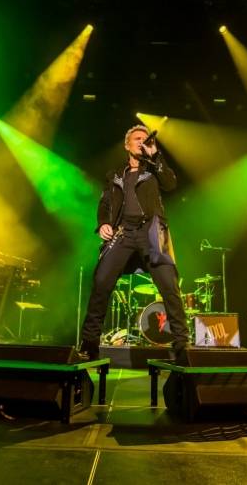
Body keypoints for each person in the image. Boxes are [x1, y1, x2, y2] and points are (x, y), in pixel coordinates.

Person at [79, 125, 189, 362]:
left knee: (169, 286)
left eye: (144, 139)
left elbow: (170, 183)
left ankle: (182, 345)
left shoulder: (153, 169)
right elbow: (105, 204)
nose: (141, 142)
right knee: (101, 283)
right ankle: (89, 345)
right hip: (123, 234)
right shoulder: (115, 175)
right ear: (127, 145)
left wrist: (156, 155)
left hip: (151, 233)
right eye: (137, 139)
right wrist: (103, 224)